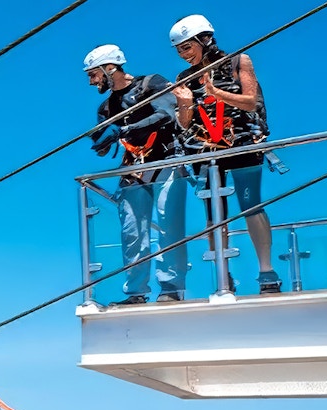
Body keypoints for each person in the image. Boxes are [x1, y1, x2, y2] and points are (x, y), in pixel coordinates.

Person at [169, 15, 281, 294]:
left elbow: (251, 101)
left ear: (204, 39)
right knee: (212, 214)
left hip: (242, 142)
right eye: (179, 50)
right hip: (207, 150)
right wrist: (184, 105)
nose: (183, 55)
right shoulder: (183, 79)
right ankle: (223, 276)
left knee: (250, 204)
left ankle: (267, 273)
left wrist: (215, 92)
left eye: (186, 47)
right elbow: (184, 123)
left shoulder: (238, 61)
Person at [83, 44, 188, 306]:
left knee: (169, 225)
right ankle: (136, 292)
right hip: (134, 166)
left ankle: (171, 289)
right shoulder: (107, 108)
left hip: (167, 159)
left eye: (93, 74)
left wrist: (124, 129)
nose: (91, 81)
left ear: (110, 68)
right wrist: (103, 141)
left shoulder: (151, 83)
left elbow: (166, 114)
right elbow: (106, 136)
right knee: (132, 231)